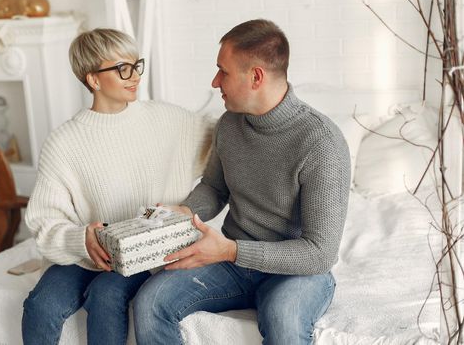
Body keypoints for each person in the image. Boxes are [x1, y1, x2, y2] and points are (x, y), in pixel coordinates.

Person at [133, 19, 351, 345]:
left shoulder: (322, 143)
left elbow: (320, 254)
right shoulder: (229, 124)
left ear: (256, 77)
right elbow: (214, 188)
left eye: (223, 71)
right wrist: (182, 212)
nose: (215, 81)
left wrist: (231, 251)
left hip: (296, 271)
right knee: (149, 302)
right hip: (233, 263)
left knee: (284, 320)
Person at [22, 28, 213, 345]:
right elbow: (44, 220)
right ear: (93, 80)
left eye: (136, 65)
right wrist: (81, 238)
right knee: (41, 305)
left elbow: (224, 137)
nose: (134, 76)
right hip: (85, 252)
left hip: (142, 253)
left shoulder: (167, 119)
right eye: (122, 69)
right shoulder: (63, 142)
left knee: (106, 297)